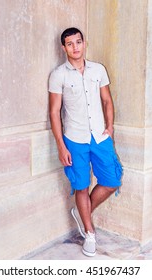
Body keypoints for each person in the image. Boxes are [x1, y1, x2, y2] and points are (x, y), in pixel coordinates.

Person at [48, 27, 123, 257]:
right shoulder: (58, 75)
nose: (75, 47)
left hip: (100, 137)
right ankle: (89, 233)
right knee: (81, 185)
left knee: (112, 180)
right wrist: (61, 145)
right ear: (64, 48)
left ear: (84, 43)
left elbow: (107, 101)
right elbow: (54, 112)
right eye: (70, 44)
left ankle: (83, 212)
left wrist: (109, 127)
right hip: (74, 139)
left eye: (78, 42)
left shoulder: (98, 70)